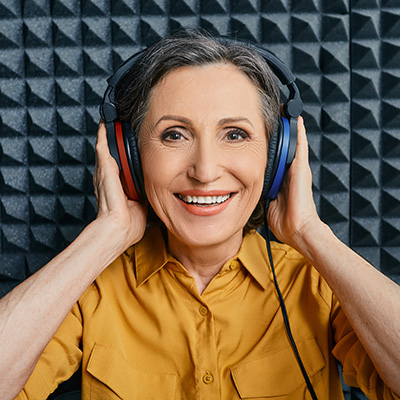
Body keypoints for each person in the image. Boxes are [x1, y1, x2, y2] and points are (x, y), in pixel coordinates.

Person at [0, 31, 399, 400]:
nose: (205, 171)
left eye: (235, 134)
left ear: (278, 158)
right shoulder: (89, 289)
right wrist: (107, 235)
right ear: (130, 159)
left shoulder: (319, 283)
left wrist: (312, 235)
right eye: (174, 135)